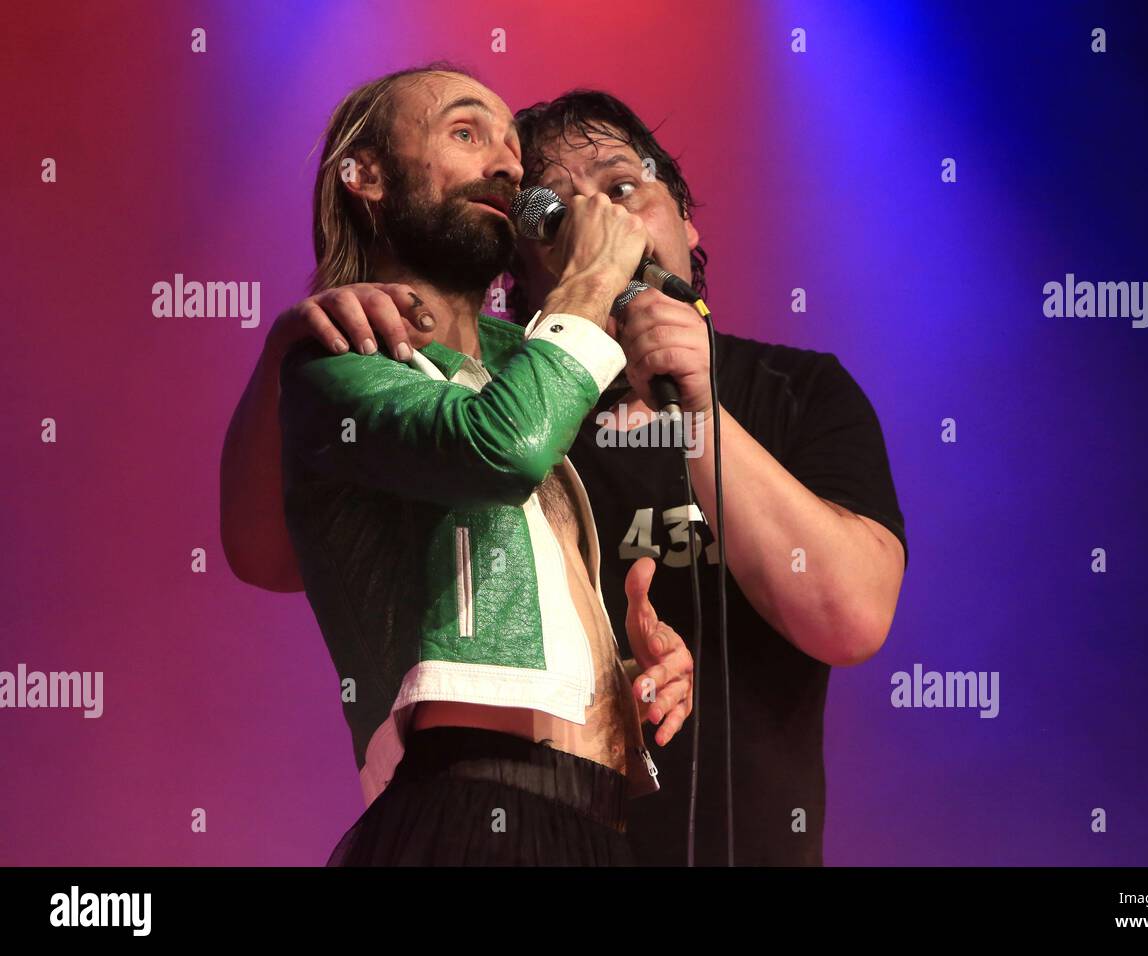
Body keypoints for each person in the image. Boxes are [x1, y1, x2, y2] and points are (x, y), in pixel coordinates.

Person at [223, 79, 907, 866]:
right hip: (499, 822)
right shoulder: (482, 383)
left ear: (685, 219)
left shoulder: (795, 390)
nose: (604, 223)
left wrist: (696, 416)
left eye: (623, 189)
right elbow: (276, 550)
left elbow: (849, 616)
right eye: (556, 211)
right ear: (520, 260)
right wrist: (285, 360)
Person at [223, 62, 695, 865]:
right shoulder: (337, 355)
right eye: (467, 133)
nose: (507, 167)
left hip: (598, 821)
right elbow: (498, 449)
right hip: (467, 811)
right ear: (362, 176)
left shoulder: (527, 364)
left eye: (513, 151)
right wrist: (587, 282)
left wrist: (620, 669)